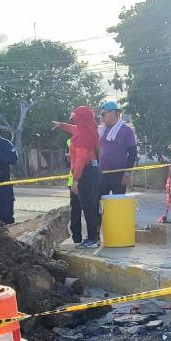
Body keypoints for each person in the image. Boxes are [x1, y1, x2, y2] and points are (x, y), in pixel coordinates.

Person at [54, 105, 102, 248]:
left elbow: (81, 159)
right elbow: (73, 129)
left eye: (76, 119)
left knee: (87, 206)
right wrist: (61, 125)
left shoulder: (82, 136)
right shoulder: (89, 130)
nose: (74, 122)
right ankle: (94, 237)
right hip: (93, 171)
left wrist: (75, 180)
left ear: (81, 119)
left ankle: (92, 239)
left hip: (85, 173)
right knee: (91, 206)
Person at [96, 100, 137, 197]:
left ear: (113, 113)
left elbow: (133, 153)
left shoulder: (126, 131)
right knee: (101, 204)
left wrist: (127, 174)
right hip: (102, 175)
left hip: (119, 176)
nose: (102, 117)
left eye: (104, 114)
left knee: (118, 204)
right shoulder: (102, 130)